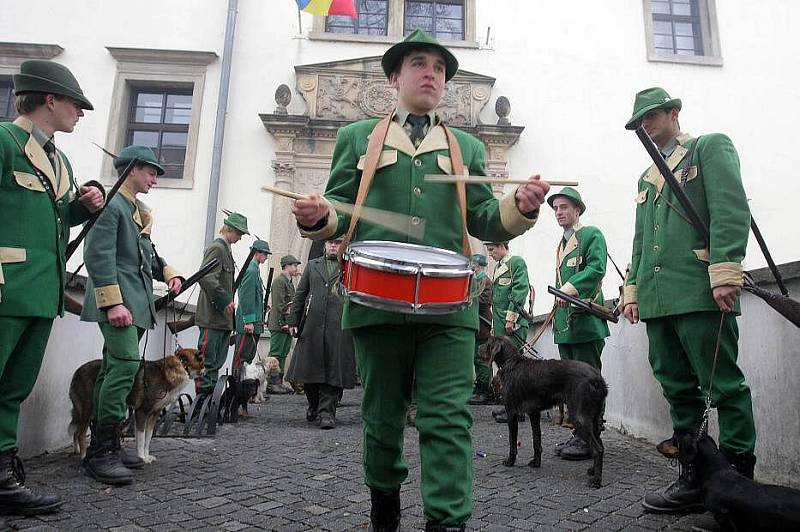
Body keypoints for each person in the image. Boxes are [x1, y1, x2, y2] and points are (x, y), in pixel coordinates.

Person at [291, 29, 549, 532]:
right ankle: (384, 508)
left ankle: (447, 522)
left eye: (439, 66)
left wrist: (517, 208)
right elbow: (339, 213)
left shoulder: (467, 147)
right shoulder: (356, 137)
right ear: (395, 76)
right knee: (382, 418)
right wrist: (317, 217)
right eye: (419, 63)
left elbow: (483, 219)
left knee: (447, 419)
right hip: (376, 302)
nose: (431, 72)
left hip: (450, 307)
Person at [621, 87, 756, 514]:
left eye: (651, 116)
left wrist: (725, 270)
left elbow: (730, 209)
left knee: (724, 387)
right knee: (678, 389)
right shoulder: (647, 177)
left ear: (673, 113)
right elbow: (641, 241)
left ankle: (738, 488)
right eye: (639, 120)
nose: (645, 124)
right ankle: (696, 477)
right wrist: (633, 291)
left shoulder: (707, 149)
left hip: (700, 289)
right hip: (659, 300)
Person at [0, 59, 104, 515]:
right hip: (6, 287)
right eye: (75, 105)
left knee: (13, 388)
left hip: (43, 293)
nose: (79, 114)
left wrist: (83, 207)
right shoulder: (5, 141)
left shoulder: (58, 159)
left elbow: (55, 221)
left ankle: (2, 474)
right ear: (49, 100)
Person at [80, 145, 182, 485]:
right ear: (132, 169)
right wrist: (112, 302)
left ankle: (104, 442)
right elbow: (97, 256)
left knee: (113, 368)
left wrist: (168, 272)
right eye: (150, 171)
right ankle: (102, 451)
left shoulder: (133, 210)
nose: (154, 178)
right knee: (124, 367)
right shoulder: (112, 206)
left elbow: (145, 256)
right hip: (119, 303)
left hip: (135, 303)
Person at [547, 186, 610, 460]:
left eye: (564, 207)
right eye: (556, 208)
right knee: (571, 386)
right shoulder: (561, 245)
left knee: (588, 382)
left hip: (585, 323)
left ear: (577, 210)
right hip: (566, 327)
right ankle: (579, 433)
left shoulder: (590, 235)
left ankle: (591, 436)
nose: (559, 212)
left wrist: (569, 290)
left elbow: (596, 269)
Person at [286, 238, 357, 429]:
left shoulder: (349, 266)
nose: (333, 245)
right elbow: (301, 293)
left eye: (338, 242)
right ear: (324, 245)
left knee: (333, 372)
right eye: (330, 242)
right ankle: (314, 405)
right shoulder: (312, 265)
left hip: (338, 327)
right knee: (309, 371)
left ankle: (327, 413)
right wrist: (293, 320)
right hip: (312, 325)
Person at [195, 211, 248, 402]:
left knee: (216, 361)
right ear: (230, 229)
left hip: (221, 318)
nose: (240, 238)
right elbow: (206, 276)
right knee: (207, 360)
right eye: (239, 233)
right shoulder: (218, 248)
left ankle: (209, 402)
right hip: (213, 315)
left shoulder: (226, 249)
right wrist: (225, 300)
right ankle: (202, 403)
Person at [485, 241, 531, 424]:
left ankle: (518, 410)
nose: (490, 254)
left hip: (513, 325)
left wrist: (511, 317)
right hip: (501, 326)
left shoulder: (516, 262)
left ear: (502, 246)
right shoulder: (498, 267)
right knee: (506, 371)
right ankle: (510, 406)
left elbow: (520, 290)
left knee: (515, 370)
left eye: (492, 249)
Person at [232, 239, 271, 379]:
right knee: (241, 359)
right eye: (264, 254)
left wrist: (262, 306)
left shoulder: (255, 269)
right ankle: (236, 389)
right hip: (248, 324)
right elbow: (245, 296)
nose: (266, 257)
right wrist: (248, 320)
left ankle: (243, 389)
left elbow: (253, 296)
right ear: (256, 253)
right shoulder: (251, 270)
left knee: (247, 359)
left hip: (254, 323)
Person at [266, 254, 300, 393]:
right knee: (275, 354)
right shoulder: (279, 282)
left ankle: (278, 382)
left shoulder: (289, 282)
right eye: (294, 265)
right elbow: (279, 305)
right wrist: (283, 323)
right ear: (286, 266)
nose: (296, 268)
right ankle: (271, 383)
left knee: (283, 353)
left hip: (287, 324)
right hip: (280, 324)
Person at [468, 254, 494, 405]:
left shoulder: (485, 280)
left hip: (482, 324)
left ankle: (484, 391)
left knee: (481, 357)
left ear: (477, 265)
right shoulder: (476, 280)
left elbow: (485, 300)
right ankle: (479, 389)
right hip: (476, 323)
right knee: (475, 357)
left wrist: (469, 297)